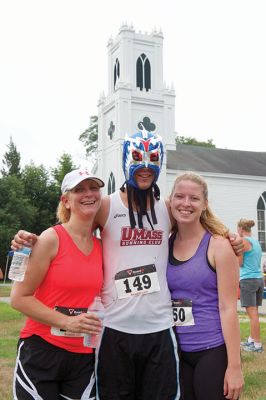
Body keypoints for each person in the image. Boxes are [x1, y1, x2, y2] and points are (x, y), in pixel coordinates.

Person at [11, 130, 243, 400]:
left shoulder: (166, 208)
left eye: (152, 160)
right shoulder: (105, 206)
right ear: (125, 160)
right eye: (137, 159)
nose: (145, 167)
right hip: (114, 328)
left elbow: (196, 224)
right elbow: (72, 226)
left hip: (159, 327)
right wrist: (27, 240)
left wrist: (231, 238)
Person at [10, 169, 105, 399]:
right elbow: (19, 298)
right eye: (79, 189)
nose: (88, 194)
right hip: (42, 350)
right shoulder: (50, 239)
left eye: (93, 188)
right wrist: (67, 322)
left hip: (83, 356)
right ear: (66, 200)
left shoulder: (103, 246)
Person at [167, 172, 244, 400]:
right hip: (178, 352)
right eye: (180, 196)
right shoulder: (165, 242)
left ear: (205, 204)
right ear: (170, 201)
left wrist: (234, 366)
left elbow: (229, 308)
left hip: (213, 350)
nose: (186, 204)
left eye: (194, 198)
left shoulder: (219, 246)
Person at [237, 218, 264, 353]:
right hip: (259, 279)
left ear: (241, 229)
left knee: (252, 315)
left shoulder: (243, 241)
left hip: (248, 280)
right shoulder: (256, 242)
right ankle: (251, 340)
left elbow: (240, 263)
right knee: (255, 313)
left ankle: (257, 345)